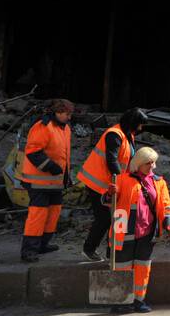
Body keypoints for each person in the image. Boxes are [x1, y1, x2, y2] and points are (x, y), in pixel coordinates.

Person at [78, 107, 147, 262]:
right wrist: (122, 181)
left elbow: (125, 160)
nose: (141, 128)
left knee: (119, 217)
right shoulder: (114, 134)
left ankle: (115, 252)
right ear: (133, 122)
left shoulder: (128, 136)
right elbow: (112, 160)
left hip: (114, 184)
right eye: (140, 124)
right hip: (100, 184)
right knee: (104, 219)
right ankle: (89, 249)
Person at [111, 146, 170, 314]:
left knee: (142, 267)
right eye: (149, 163)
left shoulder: (159, 181)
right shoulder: (122, 179)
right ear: (138, 164)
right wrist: (110, 194)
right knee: (122, 266)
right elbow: (108, 202)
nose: (153, 166)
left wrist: (168, 220)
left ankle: (138, 300)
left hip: (147, 230)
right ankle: (121, 301)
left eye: (154, 163)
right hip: (122, 226)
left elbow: (166, 203)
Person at [19, 99, 74, 263]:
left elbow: (63, 155)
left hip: (54, 182)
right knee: (38, 216)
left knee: (53, 213)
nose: (69, 117)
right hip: (39, 183)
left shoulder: (65, 129)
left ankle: (43, 244)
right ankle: (29, 250)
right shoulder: (43, 126)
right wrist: (51, 167)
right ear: (57, 112)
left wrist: (65, 177)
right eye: (67, 114)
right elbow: (33, 151)